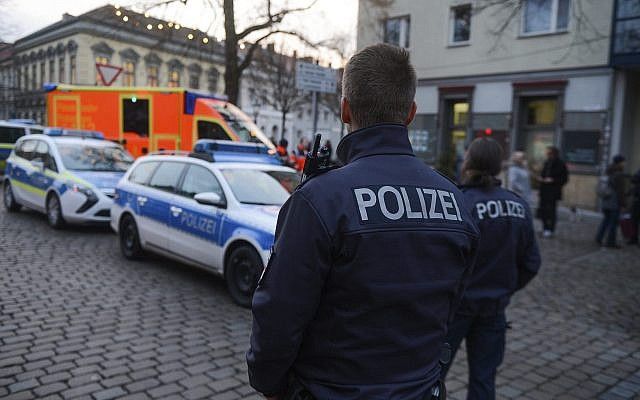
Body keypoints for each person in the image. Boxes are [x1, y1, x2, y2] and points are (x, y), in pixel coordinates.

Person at [247, 43, 479, 400]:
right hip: (421, 389)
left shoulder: (319, 200)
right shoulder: (456, 201)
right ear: (411, 113)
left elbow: (279, 313)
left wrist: (269, 384)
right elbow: (453, 304)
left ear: (344, 110)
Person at [442, 137, 541, 400]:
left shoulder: (458, 204)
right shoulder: (518, 205)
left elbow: (439, 262)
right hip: (494, 308)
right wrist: (504, 286)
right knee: (484, 380)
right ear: (498, 167)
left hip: (454, 311)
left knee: (432, 377)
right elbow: (531, 263)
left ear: (468, 163)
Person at [596, 155, 627, 248]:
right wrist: (623, 203)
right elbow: (620, 191)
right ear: (620, 162)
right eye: (624, 162)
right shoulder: (619, 174)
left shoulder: (608, 171)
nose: (625, 164)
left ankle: (599, 237)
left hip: (606, 200)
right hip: (614, 201)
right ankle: (611, 242)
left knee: (606, 220)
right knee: (613, 223)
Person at [537, 146, 568, 238]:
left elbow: (564, 179)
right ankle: (544, 227)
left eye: (549, 153)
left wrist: (553, 180)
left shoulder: (560, 164)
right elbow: (543, 174)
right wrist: (541, 180)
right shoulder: (547, 163)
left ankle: (550, 229)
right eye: (547, 153)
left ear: (554, 154)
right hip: (544, 190)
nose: (548, 155)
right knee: (543, 210)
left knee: (551, 211)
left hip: (553, 192)